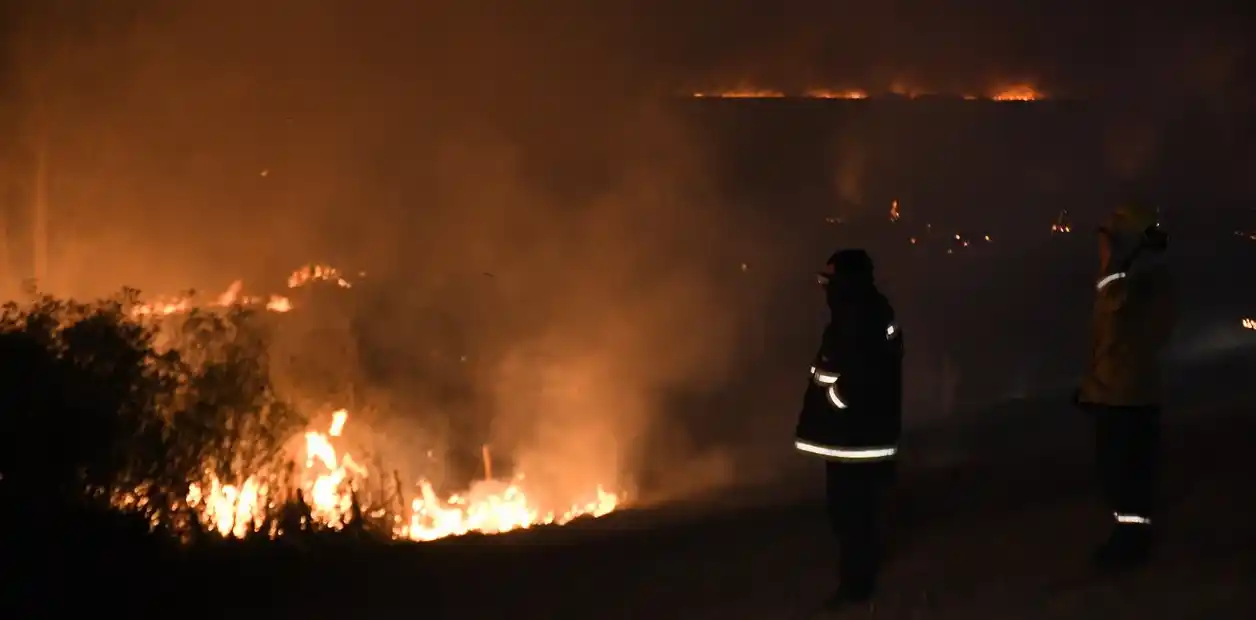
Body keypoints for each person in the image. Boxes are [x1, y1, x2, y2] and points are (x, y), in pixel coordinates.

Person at [794, 249, 903, 610]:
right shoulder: (868, 311)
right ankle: (857, 578)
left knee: (850, 513)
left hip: (854, 438)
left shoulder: (860, 316)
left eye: (828, 281)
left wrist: (836, 400)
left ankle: (856, 585)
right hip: (855, 437)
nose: (824, 289)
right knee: (854, 511)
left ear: (846, 282)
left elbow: (866, 372)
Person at [1074, 199, 1175, 569]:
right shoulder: (1144, 275)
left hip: (1125, 395)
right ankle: (1130, 537)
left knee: (1125, 472)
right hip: (1122, 391)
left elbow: (1114, 312)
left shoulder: (1133, 280)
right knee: (1123, 472)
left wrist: (1110, 261)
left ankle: (1130, 544)